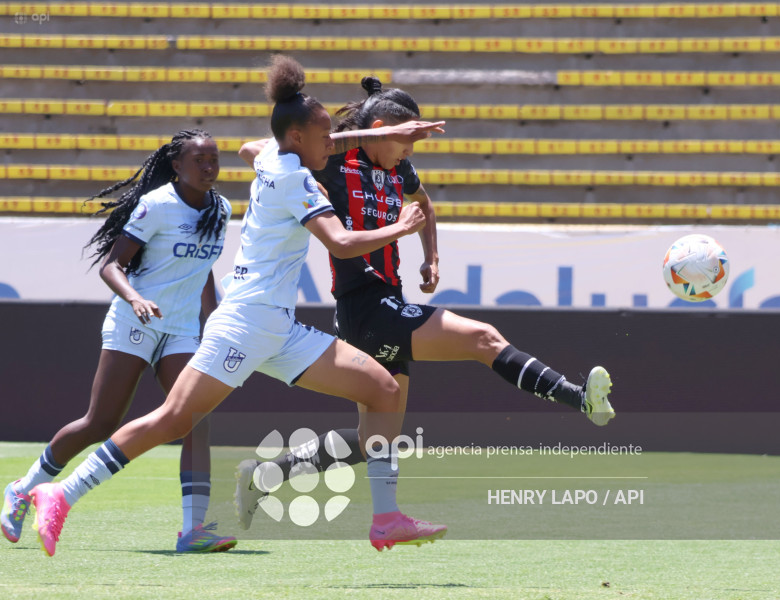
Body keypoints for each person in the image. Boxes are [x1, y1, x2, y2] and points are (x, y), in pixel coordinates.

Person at [27, 56, 448, 557]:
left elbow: (267, 143)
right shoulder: (296, 181)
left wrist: (376, 134)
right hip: (246, 324)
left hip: (279, 329)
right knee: (173, 420)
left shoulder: (274, 155)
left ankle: (385, 518)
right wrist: (400, 229)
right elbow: (339, 243)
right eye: (323, 139)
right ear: (297, 140)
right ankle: (62, 491)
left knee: (381, 389)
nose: (331, 146)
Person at [234, 77, 615, 526]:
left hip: (385, 302)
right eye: (406, 140)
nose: (410, 152)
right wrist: (365, 138)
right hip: (364, 307)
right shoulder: (329, 161)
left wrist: (431, 257)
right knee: (483, 339)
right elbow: (251, 149)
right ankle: (577, 399)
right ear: (379, 130)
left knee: (374, 438)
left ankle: (264, 476)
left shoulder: (400, 170)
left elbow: (425, 205)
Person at [0, 130, 237, 553]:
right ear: (177, 166)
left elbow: (202, 267)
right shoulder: (157, 205)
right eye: (199, 160)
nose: (209, 167)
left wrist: (212, 317)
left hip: (181, 328)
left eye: (214, 159)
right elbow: (112, 266)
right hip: (135, 319)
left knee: (196, 421)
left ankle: (193, 530)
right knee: (101, 422)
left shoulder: (220, 207)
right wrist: (135, 297)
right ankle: (23, 488)